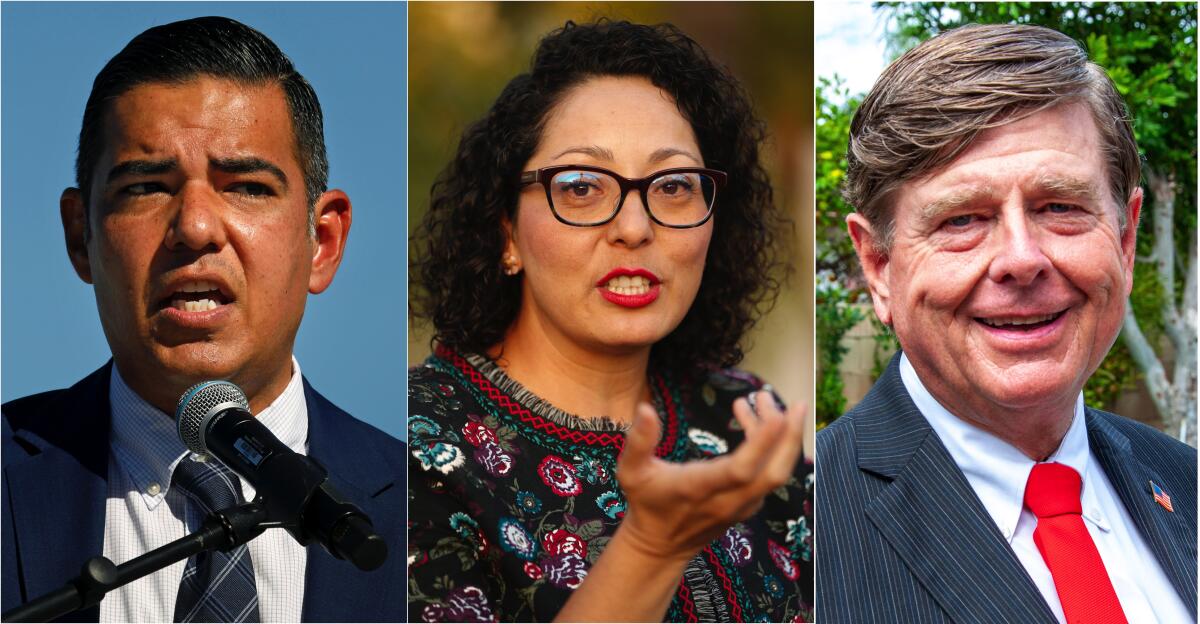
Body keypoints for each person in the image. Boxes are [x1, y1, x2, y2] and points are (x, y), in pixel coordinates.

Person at [1, 16, 405, 622]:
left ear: (321, 242)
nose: (194, 228)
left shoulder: (428, 504)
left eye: (245, 186)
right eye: (145, 187)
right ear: (80, 238)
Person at [408, 19, 812, 623]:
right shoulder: (415, 444)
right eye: (581, 187)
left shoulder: (748, 421)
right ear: (507, 233)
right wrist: (654, 545)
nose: (633, 227)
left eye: (674, 185)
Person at [817, 23, 1196, 624]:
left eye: (1061, 207)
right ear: (879, 265)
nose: (1021, 259)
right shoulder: (789, 536)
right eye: (962, 220)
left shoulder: (1187, 484)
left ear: (1125, 239)